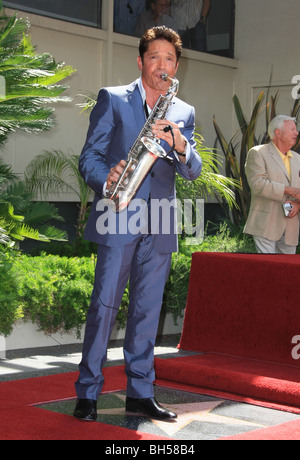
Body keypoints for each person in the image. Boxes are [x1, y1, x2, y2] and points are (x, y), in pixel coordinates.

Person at [73, 26, 202, 422]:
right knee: (104, 307)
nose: (161, 66)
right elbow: (89, 158)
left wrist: (181, 144)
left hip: (160, 222)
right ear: (140, 60)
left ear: (176, 66)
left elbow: (192, 171)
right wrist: (105, 178)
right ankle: (88, 392)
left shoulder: (183, 112)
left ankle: (140, 393)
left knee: (148, 310)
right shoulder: (112, 99)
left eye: (169, 60)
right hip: (117, 213)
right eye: (154, 57)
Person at [244, 115, 300, 254]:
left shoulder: (298, 158)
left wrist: (298, 205)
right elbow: (257, 184)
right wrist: (290, 191)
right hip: (266, 224)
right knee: (267, 270)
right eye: (292, 129)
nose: (297, 133)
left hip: (291, 228)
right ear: (278, 132)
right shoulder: (258, 153)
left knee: (287, 272)